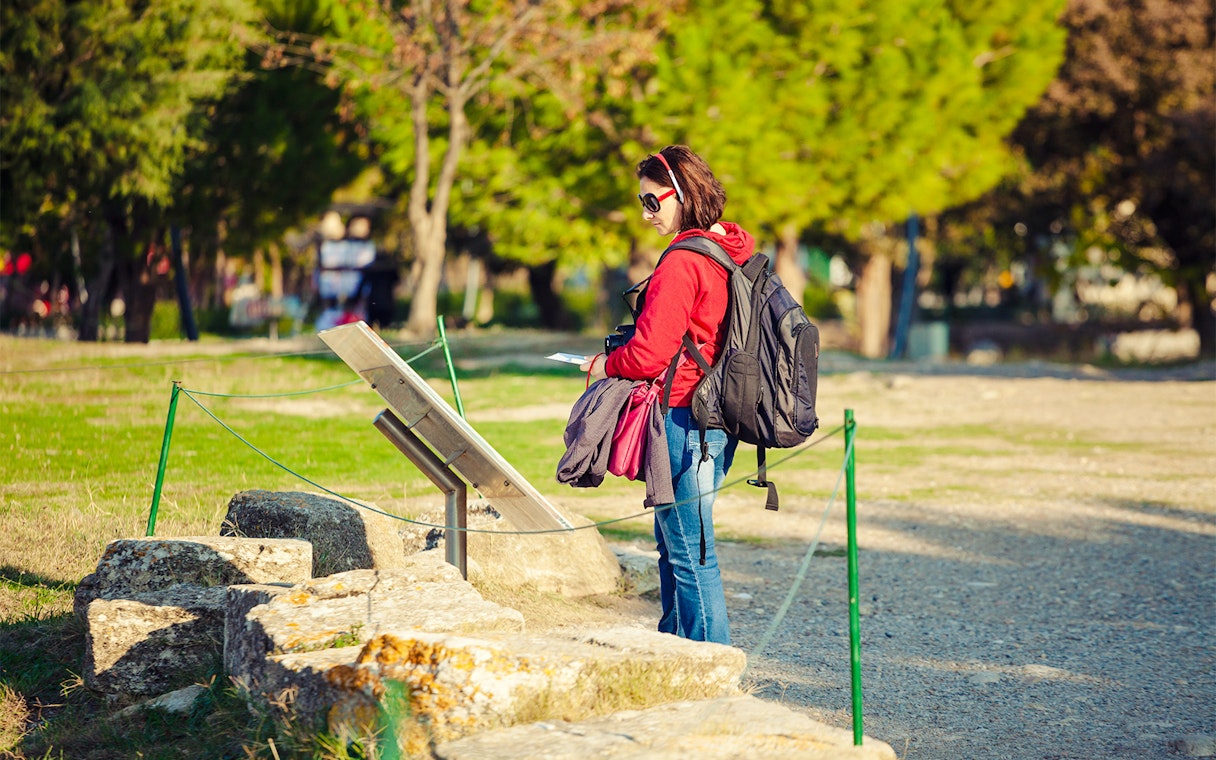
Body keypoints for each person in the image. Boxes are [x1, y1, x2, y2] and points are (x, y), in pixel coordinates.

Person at [582, 145, 755, 645]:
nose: (645, 213)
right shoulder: (729, 248)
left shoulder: (684, 260)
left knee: (688, 551)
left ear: (680, 195)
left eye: (652, 202)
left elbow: (650, 353)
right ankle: (677, 651)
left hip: (684, 415)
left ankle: (709, 669)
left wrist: (604, 364)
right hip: (717, 415)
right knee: (681, 545)